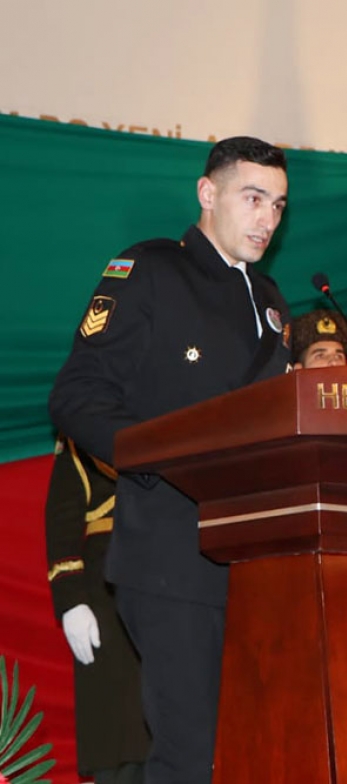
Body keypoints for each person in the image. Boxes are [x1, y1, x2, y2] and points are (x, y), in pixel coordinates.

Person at [48, 136, 292, 784]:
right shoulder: (152, 270)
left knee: (254, 751)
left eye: (278, 205)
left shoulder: (271, 302)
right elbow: (76, 396)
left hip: (257, 559)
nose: (267, 218)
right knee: (192, 756)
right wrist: (163, 459)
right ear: (207, 193)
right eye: (253, 198)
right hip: (170, 555)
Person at [45, 435, 150, 784]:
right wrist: (71, 600)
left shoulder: (173, 429)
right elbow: (61, 522)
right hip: (108, 590)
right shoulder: (83, 442)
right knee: (121, 727)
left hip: (170, 581)